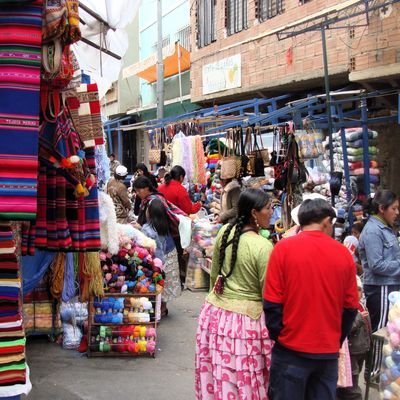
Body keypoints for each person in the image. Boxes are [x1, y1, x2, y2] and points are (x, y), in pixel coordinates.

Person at [264, 198, 359, 400]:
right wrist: (335, 338)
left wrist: (280, 337)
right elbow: (350, 307)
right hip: (326, 353)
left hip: (290, 350)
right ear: (326, 222)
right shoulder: (343, 254)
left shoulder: (283, 249)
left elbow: (272, 303)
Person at [195, 188, 274, 400]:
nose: (272, 212)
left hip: (215, 317)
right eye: (269, 208)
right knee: (246, 381)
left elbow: (215, 276)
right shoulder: (264, 247)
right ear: (254, 213)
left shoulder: (225, 232)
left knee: (220, 377)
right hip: (246, 324)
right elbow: (269, 294)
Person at [358, 189, 400, 376]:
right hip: (381, 287)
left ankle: (381, 371)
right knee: (381, 331)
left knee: (388, 330)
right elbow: (377, 265)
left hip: (389, 285)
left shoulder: (385, 228)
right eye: (394, 208)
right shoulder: (373, 231)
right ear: (382, 209)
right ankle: (374, 372)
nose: (397, 212)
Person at [158, 165, 201, 286]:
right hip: (175, 228)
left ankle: (163, 277)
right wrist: (199, 205)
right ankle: (177, 279)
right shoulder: (180, 190)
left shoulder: (161, 187)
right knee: (177, 254)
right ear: (181, 177)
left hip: (161, 226)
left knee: (163, 253)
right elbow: (189, 209)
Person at [141, 198, 181, 316]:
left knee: (156, 283)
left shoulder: (147, 228)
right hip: (169, 254)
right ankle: (163, 307)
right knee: (165, 283)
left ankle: (156, 309)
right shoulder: (165, 224)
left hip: (156, 260)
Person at [336, 276, 371, 400]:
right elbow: (344, 329)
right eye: (354, 289)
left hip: (361, 350)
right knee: (352, 388)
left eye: (359, 289)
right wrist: (359, 318)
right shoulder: (343, 308)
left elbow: (368, 329)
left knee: (350, 383)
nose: (357, 292)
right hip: (350, 353)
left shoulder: (361, 305)